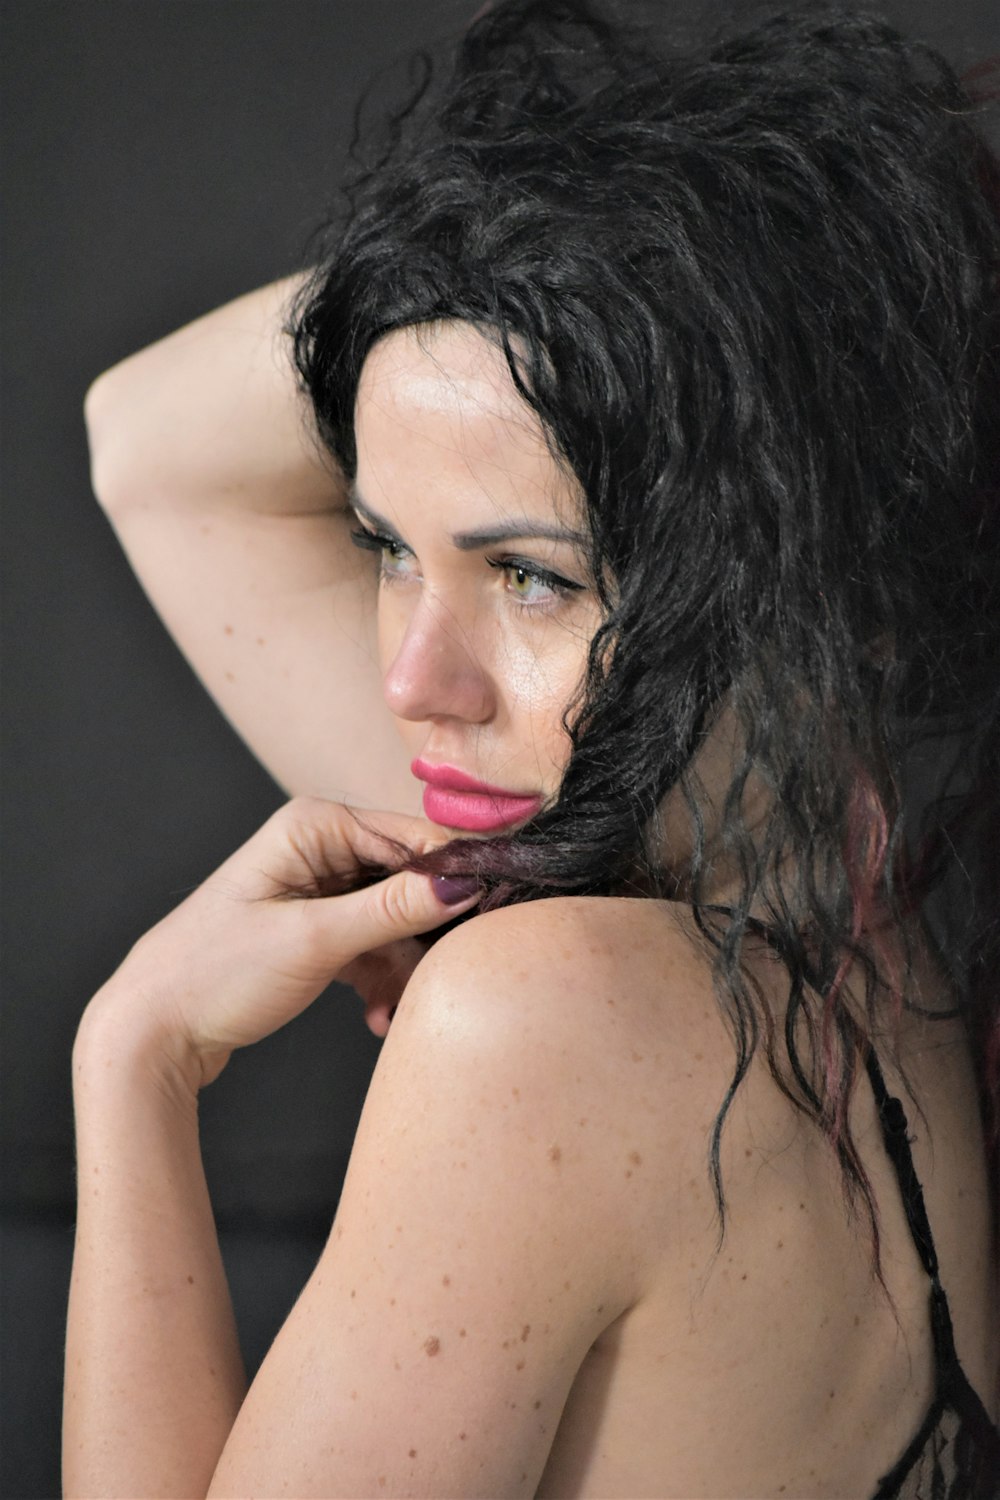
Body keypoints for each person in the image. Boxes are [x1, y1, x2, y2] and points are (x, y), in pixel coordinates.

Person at [63, 1, 1000, 1495]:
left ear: (792, 582)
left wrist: (136, 1058)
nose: (418, 685)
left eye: (534, 577)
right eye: (385, 546)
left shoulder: (537, 1021)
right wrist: (651, 239)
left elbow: (151, 441)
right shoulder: (890, 939)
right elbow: (148, 445)